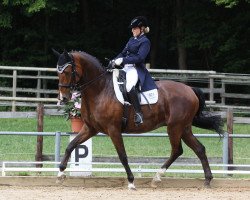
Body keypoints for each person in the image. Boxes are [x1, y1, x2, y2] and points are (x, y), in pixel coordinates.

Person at [112, 16, 157, 125]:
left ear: (141, 29)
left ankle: (138, 113)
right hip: (125, 67)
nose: (132, 30)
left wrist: (123, 60)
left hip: (135, 68)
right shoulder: (131, 40)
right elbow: (123, 53)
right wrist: (114, 60)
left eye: (134, 28)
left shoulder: (145, 41)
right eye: (132, 29)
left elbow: (140, 58)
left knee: (128, 86)